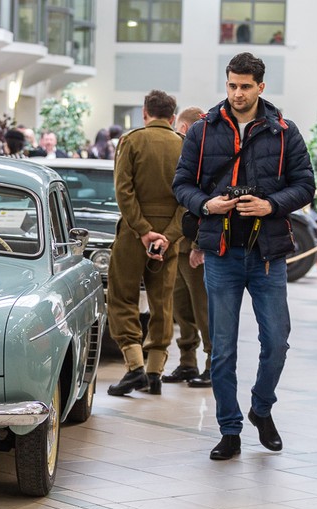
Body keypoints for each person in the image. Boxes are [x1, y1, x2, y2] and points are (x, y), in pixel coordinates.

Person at [172, 52, 315, 460]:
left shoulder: (284, 131)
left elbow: (305, 185)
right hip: (221, 254)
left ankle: (261, 408)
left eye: (245, 86)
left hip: (268, 254)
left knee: (277, 342)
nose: (237, 93)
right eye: (232, 85)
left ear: (260, 87)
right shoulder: (203, 130)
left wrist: (271, 204)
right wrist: (207, 205)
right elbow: (181, 184)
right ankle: (229, 429)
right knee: (222, 349)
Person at [106, 90, 184, 397]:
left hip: (133, 233)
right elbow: (188, 197)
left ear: (144, 113)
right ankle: (155, 373)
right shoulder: (184, 145)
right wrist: (169, 235)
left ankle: (135, 366)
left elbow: (123, 190)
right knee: (163, 302)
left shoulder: (132, 141)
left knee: (122, 297)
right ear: (173, 117)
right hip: (169, 236)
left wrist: (142, 230)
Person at [162, 106, 212, 388]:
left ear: (183, 128)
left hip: (194, 245)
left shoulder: (202, 155)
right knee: (182, 310)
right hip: (178, 246)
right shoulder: (185, 152)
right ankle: (187, 362)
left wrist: (198, 244)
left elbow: (198, 201)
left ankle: (213, 364)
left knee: (204, 310)